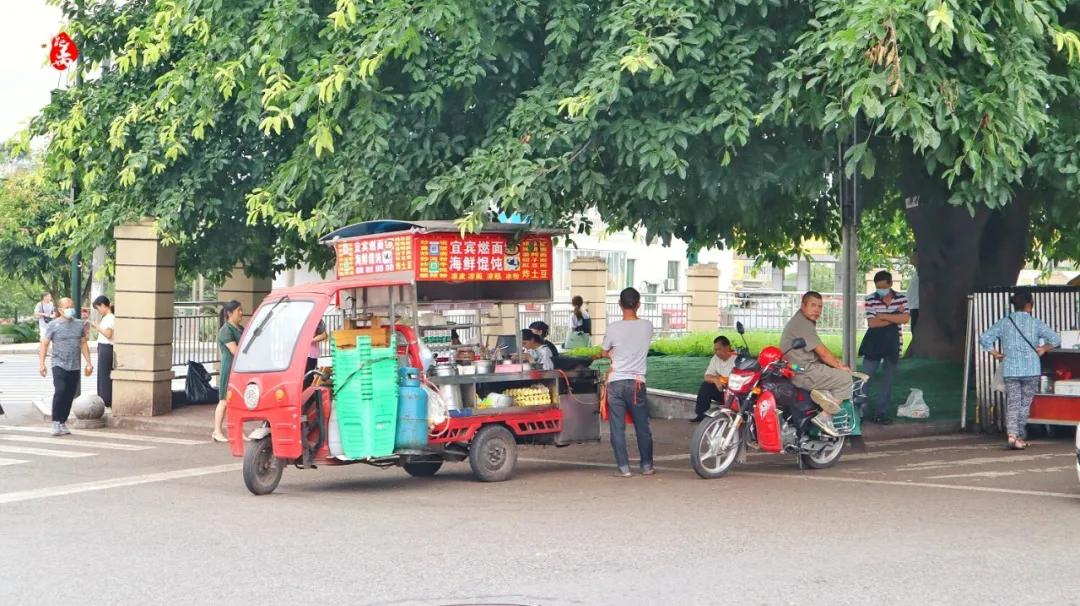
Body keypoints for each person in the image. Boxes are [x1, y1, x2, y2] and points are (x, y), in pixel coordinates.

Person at [979, 290, 1060, 450]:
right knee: (1024, 404)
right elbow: (1056, 339)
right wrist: (1044, 348)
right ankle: (1019, 435)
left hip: (1011, 369)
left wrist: (995, 353)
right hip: (1031, 369)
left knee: (1013, 403)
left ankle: (1012, 435)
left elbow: (984, 338)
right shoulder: (1036, 323)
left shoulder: (1005, 322)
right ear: (1029, 305)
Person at [780, 291, 857, 437]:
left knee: (833, 370)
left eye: (820, 307)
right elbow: (822, 352)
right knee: (846, 379)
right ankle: (825, 416)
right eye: (813, 305)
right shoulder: (803, 324)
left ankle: (824, 398)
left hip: (795, 368)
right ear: (803, 305)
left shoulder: (799, 320)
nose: (817, 310)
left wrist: (836, 363)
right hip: (804, 372)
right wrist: (841, 367)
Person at [601, 287, 655, 477]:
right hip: (637, 383)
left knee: (617, 427)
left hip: (615, 382)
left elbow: (603, 351)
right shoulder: (647, 326)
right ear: (639, 304)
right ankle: (647, 466)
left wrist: (612, 354)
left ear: (619, 305)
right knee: (642, 426)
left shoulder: (613, 328)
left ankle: (623, 468)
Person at [859, 271, 909, 425]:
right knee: (865, 378)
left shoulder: (902, 298)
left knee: (888, 380)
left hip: (893, 344)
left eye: (883, 287)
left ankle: (881, 413)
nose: (880, 290)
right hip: (874, 343)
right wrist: (894, 317)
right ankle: (860, 412)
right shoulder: (870, 299)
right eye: (878, 287)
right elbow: (872, 323)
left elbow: (905, 318)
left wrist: (883, 316)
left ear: (890, 284)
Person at [38, 297, 93, 436]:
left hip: (74, 365)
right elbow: (44, 343)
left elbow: (83, 343)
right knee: (60, 390)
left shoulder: (79, 324)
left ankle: (63, 421)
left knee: (69, 394)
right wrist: (42, 364)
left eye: (71, 306)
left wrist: (88, 362)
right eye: (67, 307)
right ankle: (56, 421)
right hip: (59, 363)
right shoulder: (53, 325)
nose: (70, 309)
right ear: (60, 309)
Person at [213, 300, 243, 443]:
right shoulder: (225, 331)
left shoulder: (239, 328)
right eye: (239, 310)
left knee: (236, 401)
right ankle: (217, 431)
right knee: (224, 401)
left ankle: (238, 431)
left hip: (239, 368)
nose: (241, 313)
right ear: (230, 313)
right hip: (229, 367)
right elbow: (235, 350)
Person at [691, 336, 737, 423]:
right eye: (715, 350)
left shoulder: (737, 359)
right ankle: (701, 415)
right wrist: (716, 379)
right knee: (706, 386)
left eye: (719, 349)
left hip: (736, 395)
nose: (716, 352)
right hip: (723, 392)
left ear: (727, 347)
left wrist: (724, 380)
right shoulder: (715, 359)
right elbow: (707, 376)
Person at [90, 295, 116, 408]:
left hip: (107, 347)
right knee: (102, 374)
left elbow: (108, 334)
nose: (98, 311)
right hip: (103, 346)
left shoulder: (110, 317)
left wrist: (97, 327)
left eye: (98, 308)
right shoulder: (106, 317)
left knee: (105, 374)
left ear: (103, 305)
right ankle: (103, 397)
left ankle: (106, 399)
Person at [304, 319, 328, 390]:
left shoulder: (316, 319)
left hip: (310, 354)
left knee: (307, 378)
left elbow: (324, 335)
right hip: (299, 355)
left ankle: (306, 398)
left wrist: (310, 340)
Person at [907, 252, 920, 334]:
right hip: (914, 308)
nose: (911, 258)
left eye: (913, 255)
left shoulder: (922, 271)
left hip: (918, 309)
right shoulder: (917, 272)